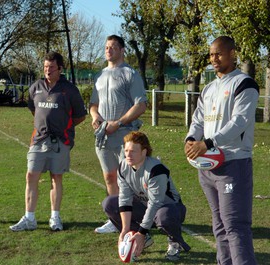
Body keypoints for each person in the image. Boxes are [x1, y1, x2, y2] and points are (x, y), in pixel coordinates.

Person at [185, 36, 258, 265]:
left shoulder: (245, 84)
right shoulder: (208, 88)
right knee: (218, 226)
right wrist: (190, 139)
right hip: (207, 167)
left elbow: (239, 122)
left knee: (235, 226)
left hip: (233, 164)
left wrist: (207, 143)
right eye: (211, 54)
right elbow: (198, 120)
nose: (213, 59)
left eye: (219, 53)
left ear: (232, 53)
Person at [9, 51, 87, 232]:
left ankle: (55, 217)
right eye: (45, 67)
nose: (48, 70)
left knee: (56, 177)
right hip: (38, 140)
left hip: (61, 141)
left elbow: (80, 116)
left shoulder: (70, 90)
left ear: (60, 69)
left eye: (51, 67)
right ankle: (29, 218)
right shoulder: (36, 87)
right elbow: (33, 109)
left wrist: (63, 127)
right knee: (31, 176)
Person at [102, 131, 190, 261]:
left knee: (164, 217)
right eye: (126, 150)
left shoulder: (156, 170)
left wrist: (141, 232)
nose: (128, 155)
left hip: (169, 208)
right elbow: (125, 199)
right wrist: (125, 230)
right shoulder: (123, 166)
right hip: (145, 206)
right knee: (110, 203)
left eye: (133, 151)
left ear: (144, 152)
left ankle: (174, 242)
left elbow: (155, 203)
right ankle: (139, 236)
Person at [90, 35, 147, 233]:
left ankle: (135, 219)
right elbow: (93, 104)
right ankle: (115, 220)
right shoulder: (99, 75)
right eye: (106, 47)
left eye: (113, 47)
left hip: (125, 136)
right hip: (103, 137)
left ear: (122, 50)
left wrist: (119, 122)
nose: (109, 50)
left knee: (129, 180)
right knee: (109, 178)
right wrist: (95, 116)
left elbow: (141, 104)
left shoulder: (130, 74)